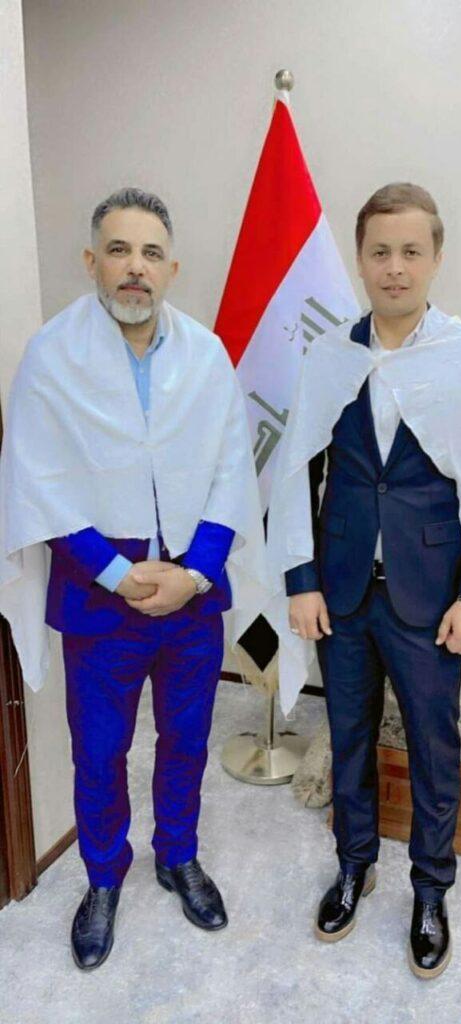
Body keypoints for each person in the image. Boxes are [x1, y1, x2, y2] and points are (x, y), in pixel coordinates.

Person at [265, 183, 461, 979]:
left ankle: (430, 889)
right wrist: (301, 579)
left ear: (436, 258)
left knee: (432, 746)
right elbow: (298, 471)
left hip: (430, 596)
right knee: (348, 736)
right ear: (360, 260)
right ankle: (354, 865)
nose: (395, 267)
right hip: (342, 591)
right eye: (380, 251)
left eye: (410, 251)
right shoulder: (329, 354)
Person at [0, 188, 267, 971]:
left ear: (172, 268)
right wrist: (118, 574)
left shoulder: (206, 355)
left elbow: (230, 470)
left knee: (186, 740)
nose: (135, 268)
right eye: (119, 250)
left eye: (151, 254)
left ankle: (177, 856)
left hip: (191, 594)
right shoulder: (52, 355)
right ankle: (103, 877)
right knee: (100, 751)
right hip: (99, 596)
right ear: (92, 261)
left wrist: (197, 572)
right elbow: (39, 483)